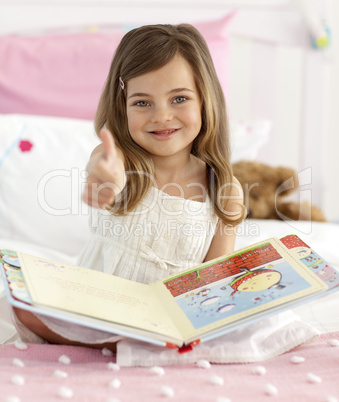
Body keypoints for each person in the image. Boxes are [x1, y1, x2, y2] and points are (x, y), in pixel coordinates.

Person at [13, 23, 245, 348]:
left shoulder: (224, 188)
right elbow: (106, 169)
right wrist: (104, 180)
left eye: (179, 98)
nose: (162, 116)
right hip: (97, 308)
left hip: (170, 317)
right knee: (21, 308)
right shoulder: (117, 158)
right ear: (122, 106)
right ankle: (125, 343)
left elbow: (214, 277)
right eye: (142, 103)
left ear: (205, 100)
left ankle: (140, 342)